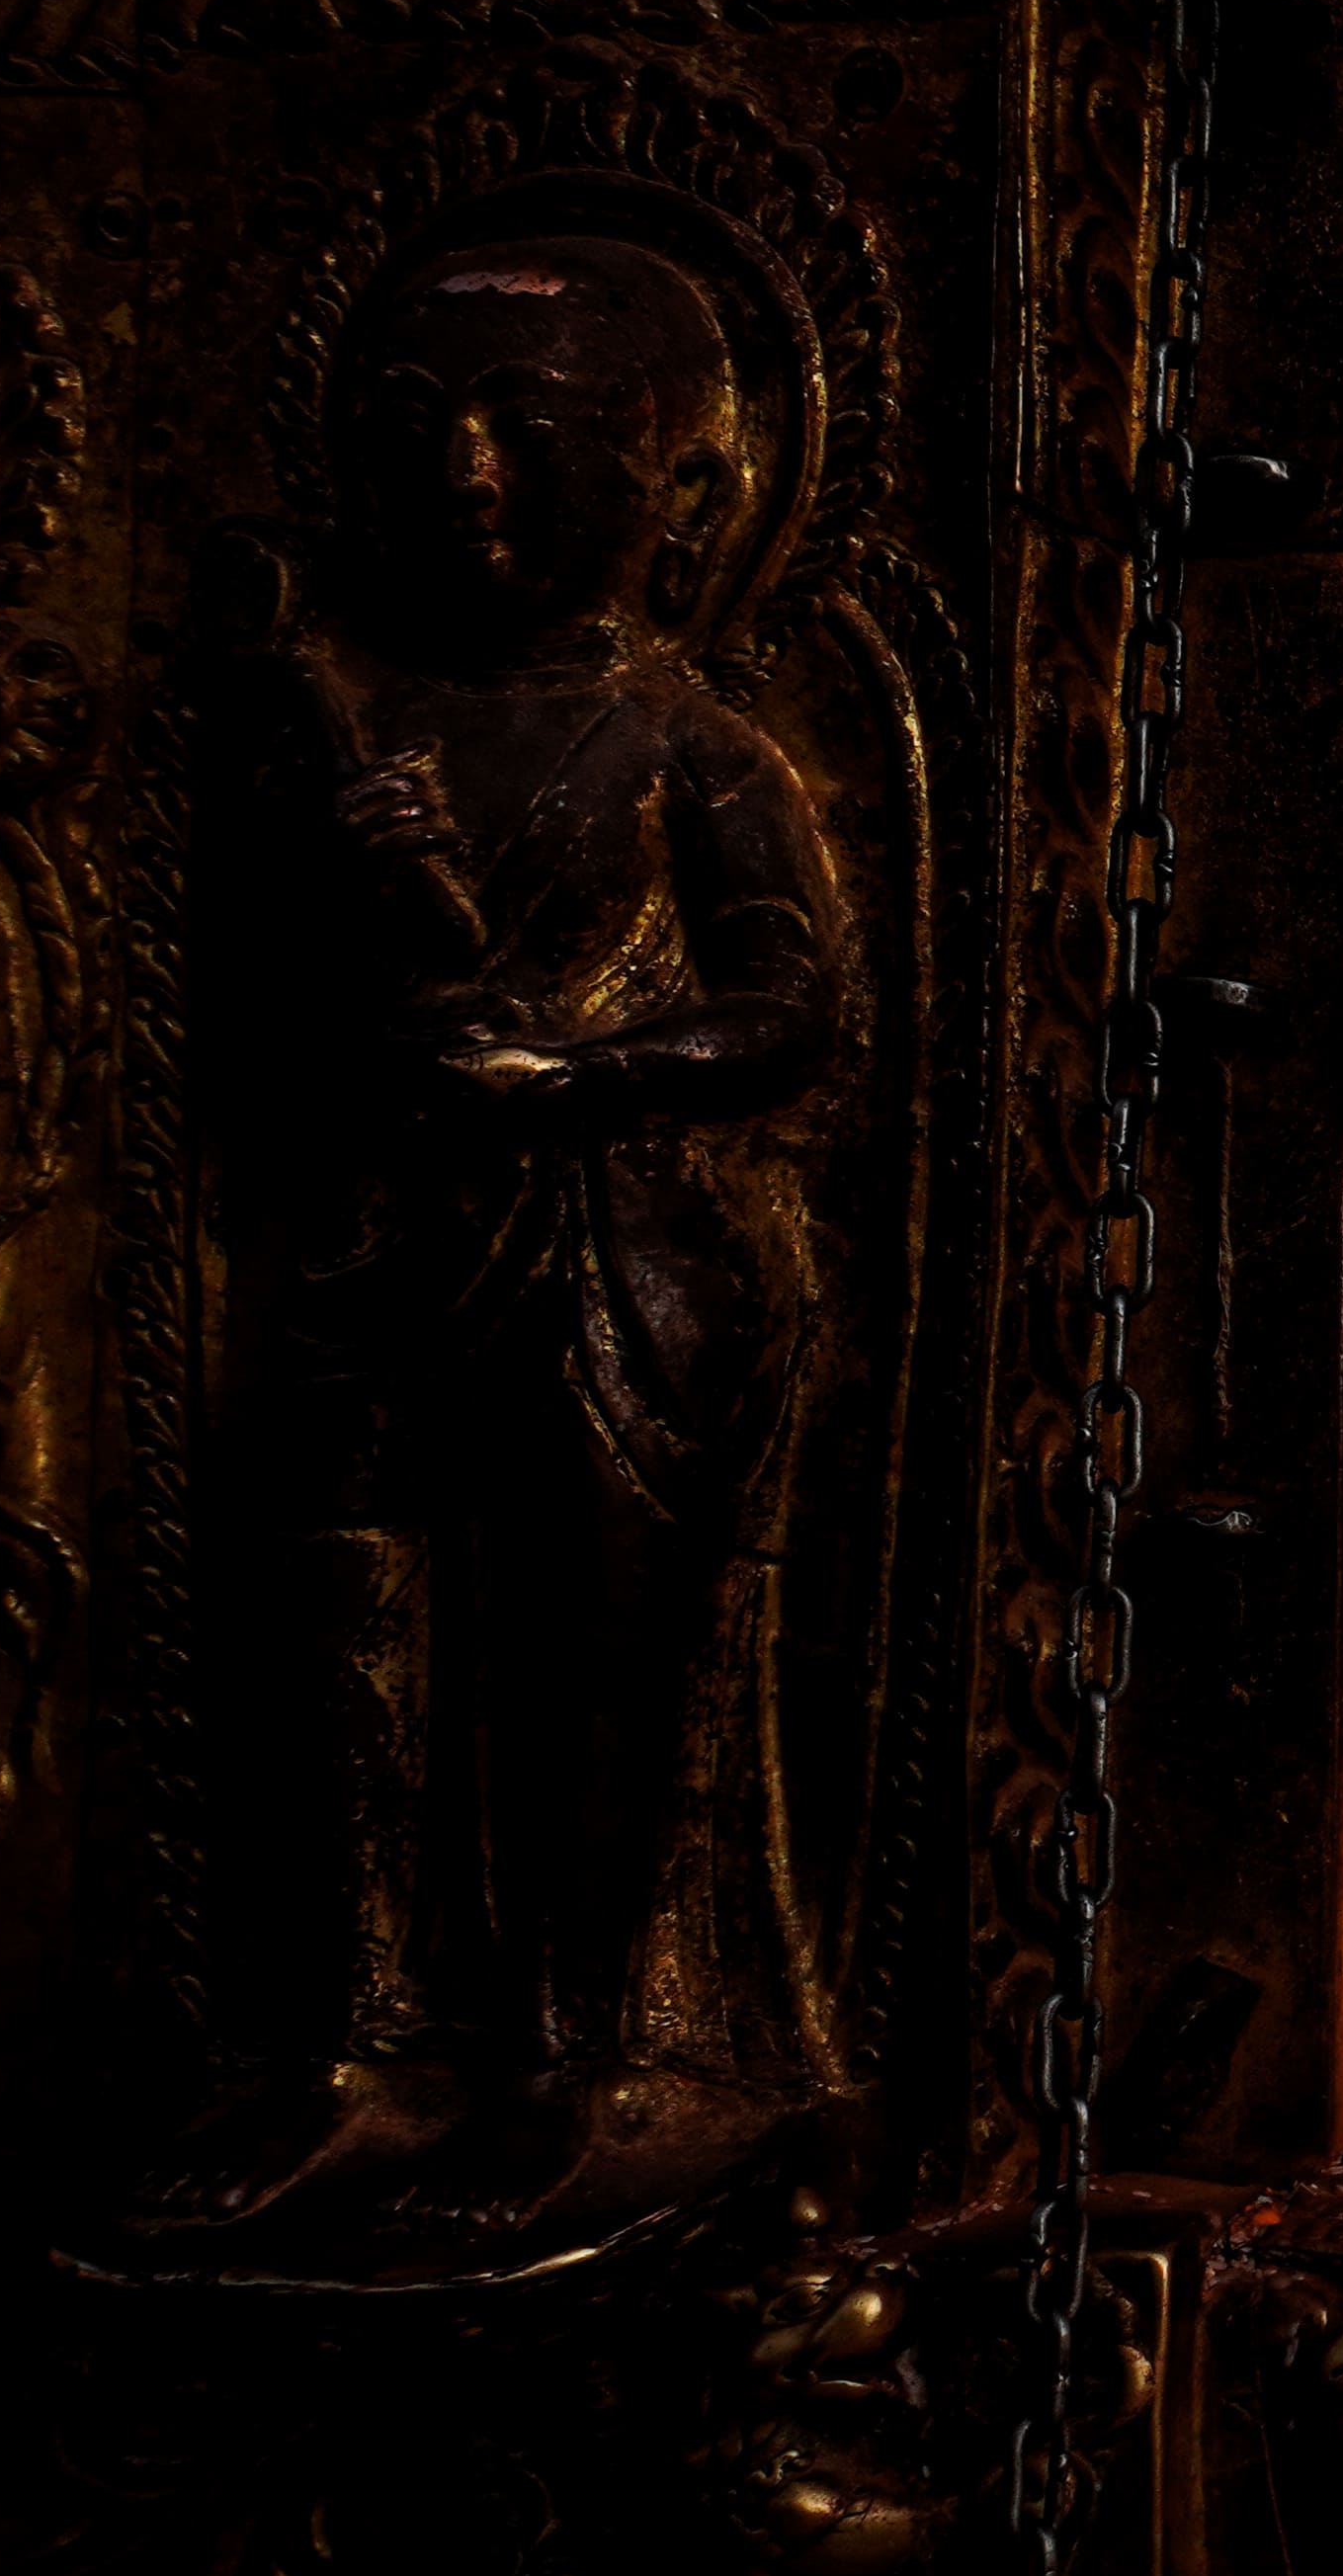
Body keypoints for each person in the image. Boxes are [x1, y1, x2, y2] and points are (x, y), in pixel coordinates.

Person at [175, 229, 856, 2241]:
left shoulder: (690, 746)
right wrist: (342, 896)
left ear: (687, 488)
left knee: (582, 1668)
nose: (469, 476)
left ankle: (567, 2052)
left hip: (613, 1277)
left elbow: (790, 1006)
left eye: (534, 429)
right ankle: (346, 2039)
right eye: (418, 429)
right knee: (343, 1639)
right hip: (376, 1252)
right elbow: (238, 1025)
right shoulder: (353, 731)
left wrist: (579, 1072)